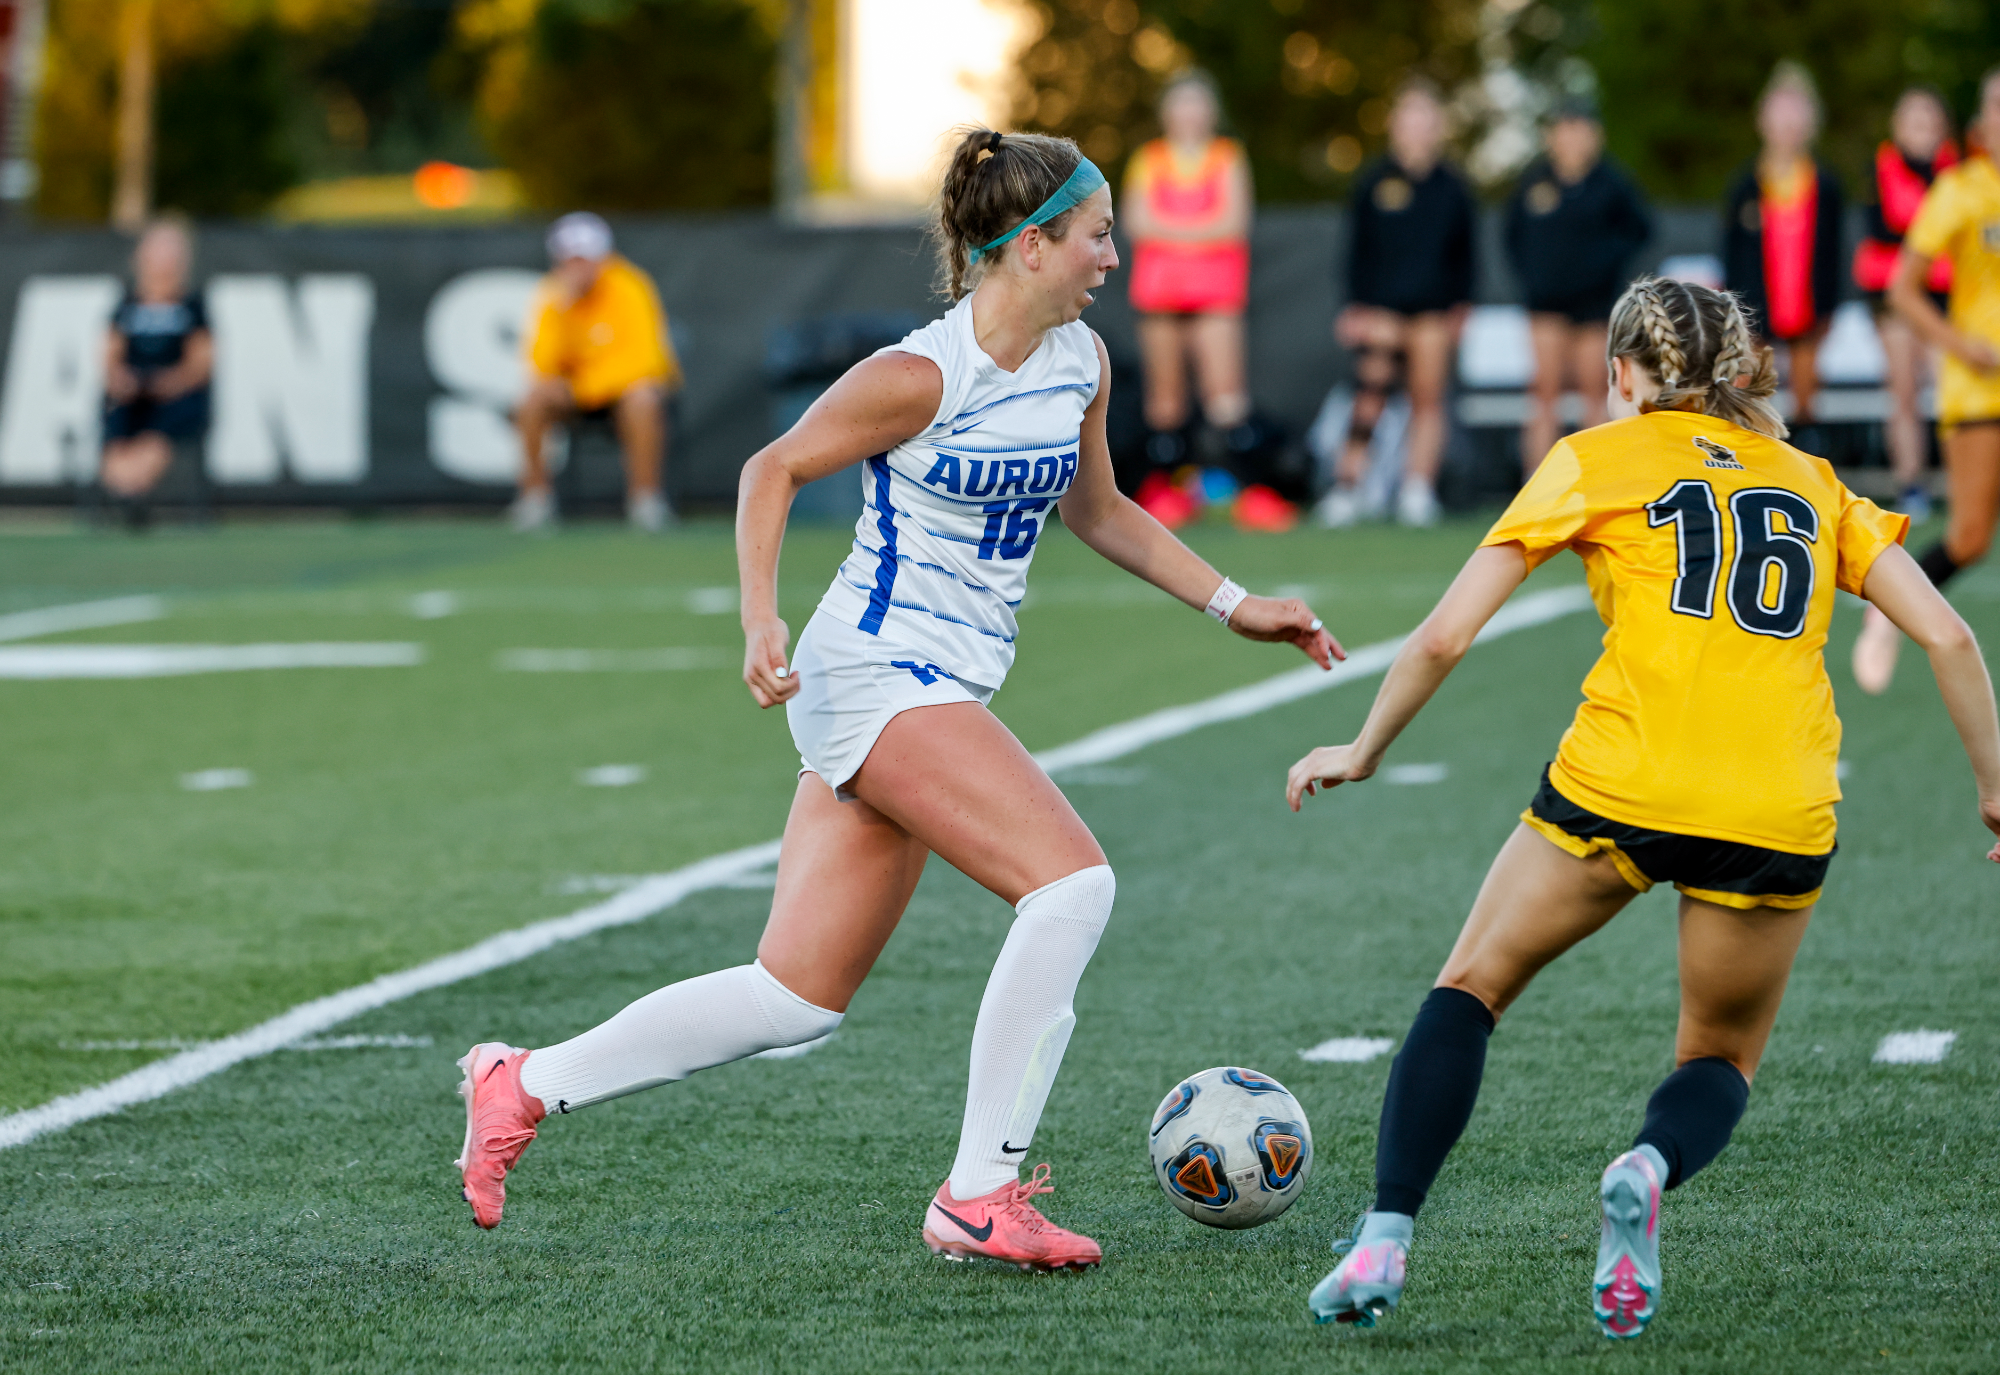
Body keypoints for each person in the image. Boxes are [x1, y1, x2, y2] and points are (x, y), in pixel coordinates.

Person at [452, 128, 1340, 1268]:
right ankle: (981, 1192)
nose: (1113, 257)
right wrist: (757, 616)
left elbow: (1098, 512)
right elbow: (767, 469)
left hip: (935, 681)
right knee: (1070, 886)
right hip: (872, 672)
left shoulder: (1081, 361)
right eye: (1096, 235)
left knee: (794, 998)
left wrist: (1233, 601)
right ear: (1027, 248)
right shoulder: (919, 374)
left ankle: (521, 1083)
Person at [1287, 276, 2000, 1337]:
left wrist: (1362, 746)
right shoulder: (1809, 480)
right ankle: (1647, 1161)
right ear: (1743, 371)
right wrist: (1992, 790)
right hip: (1773, 804)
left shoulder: (1591, 457)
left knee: (1470, 988)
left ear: (1620, 372)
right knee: (1714, 1057)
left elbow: (1440, 634)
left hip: (1617, 785)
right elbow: (1946, 635)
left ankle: (1382, 1237)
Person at [1854, 67, 2000, 695]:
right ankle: (1889, 611)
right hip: (1980, 391)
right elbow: (1902, 289)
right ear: (1981, 122)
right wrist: (1960, 345)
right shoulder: (1961, 190)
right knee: (1969, 538)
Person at [1319, 77, 1476, 529]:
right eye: (1409, 116)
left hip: (1433, 313)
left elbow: (1466, 255)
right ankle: (1347, 488)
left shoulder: (1453, 188)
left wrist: (1462, 307)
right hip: (1382, 310)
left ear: (1438, 126)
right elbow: (1357, 250)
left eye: (1425, 117)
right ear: (1394, 124)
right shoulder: (1374, 182)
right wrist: (1355, 307)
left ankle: (1417, 489)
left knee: (1429, 399)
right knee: (1370, 391)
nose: (1417, 127)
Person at [1121, 71, 1253, 524]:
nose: (1189, 114)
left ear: (1211, 112)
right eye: (1181, 104)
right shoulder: (1149, 159)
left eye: (1198, 104)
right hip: (1159, 294)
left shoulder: (1227, 158)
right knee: (1165, 400)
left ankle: (1229, 489)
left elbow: (1233, 223)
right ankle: (1167, 492)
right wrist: (1201, 234)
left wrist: (1170, 234)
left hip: (1217, 293)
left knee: (1224, 395)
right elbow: (1136, 221)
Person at [1503, 96, 1652, 477]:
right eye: (1564, 128)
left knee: (1597, 394)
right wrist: (1536, 276)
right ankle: (1535, 485)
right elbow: (1513, 236)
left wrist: (1603, 266)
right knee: (1543, 394)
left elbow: (1639, 230)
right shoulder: (1534, 182)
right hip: (1546, 305)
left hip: (1595, 307)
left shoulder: (1611, 183)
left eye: (1579, 128)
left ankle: (1597, 482)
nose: (1571, 138)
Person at [512, 212, 681, 532]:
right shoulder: (553, 296)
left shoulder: (631, 287)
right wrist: (563, 309)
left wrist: (584, 387)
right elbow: (540, 364)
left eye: (585, 259)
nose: (578, 268)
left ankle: (645, 500)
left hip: (620, 392)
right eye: (570, 260)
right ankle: (535, 500)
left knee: (642, 399)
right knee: (532, 402)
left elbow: (646, 361)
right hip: (579, 392)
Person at [1722, 64, 1845, 445]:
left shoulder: (1824, 185)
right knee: (1750, 395)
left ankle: (1809, 468)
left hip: (1809, 311)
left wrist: (1828, 310)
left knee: (1807, 400)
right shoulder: (1746, 184)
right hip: (1756, 310)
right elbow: (1731, 252)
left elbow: (1834, 253)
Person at [1854, 87, 1957, 520]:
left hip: (1944, 299)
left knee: (1952, 391)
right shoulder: (1879, 173)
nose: (1923, 132)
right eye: (1914, 122)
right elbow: (1887, 230)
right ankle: (1910, 481)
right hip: (1897, 298)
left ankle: (1962, 478)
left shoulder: (1958, 174)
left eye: (1930, 123)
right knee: (1904, 391)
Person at [99, 217, 212, 527]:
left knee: (160, 430)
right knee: (115, 420)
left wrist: (167, 383)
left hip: (177, 396)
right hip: (133, 396)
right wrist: (121, 379)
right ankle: (128, 490)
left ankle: (132, 491)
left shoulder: (193, 306)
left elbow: (201, 363)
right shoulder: (126, 304)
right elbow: (109, 356)